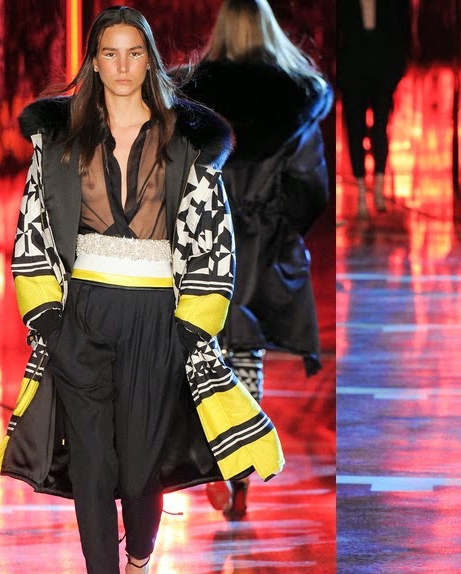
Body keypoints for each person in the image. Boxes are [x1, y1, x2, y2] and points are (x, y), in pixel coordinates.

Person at [0, 6, 284, 574]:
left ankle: (140, 561)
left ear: (149, 61)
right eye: (110, 54)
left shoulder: (185, 142)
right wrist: (50, 320)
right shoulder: (60, 141)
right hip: (83, 313)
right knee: (93, 463)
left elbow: (214, 238)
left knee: (142, 468)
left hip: (158, 317)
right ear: (94, 62)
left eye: (134, 53)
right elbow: (32, 230)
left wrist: (192, 326)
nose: (122, 66)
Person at [176, 0, 330, 520]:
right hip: (261, 240)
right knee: (246, 352)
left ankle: (215, 457)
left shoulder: (191, 96)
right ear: (268, 29)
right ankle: (239, 467)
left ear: (221, 29)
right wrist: (282, 232)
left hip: (203, 238)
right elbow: (310, 184)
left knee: (202, 351)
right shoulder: (297, 97)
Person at [338, 0, 410, 219]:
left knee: (380, 128)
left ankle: (378, 188)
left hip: (382, 65)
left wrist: (396, 69)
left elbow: (401, 30)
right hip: (353, 66)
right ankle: (361, 192)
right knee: (356, 129)